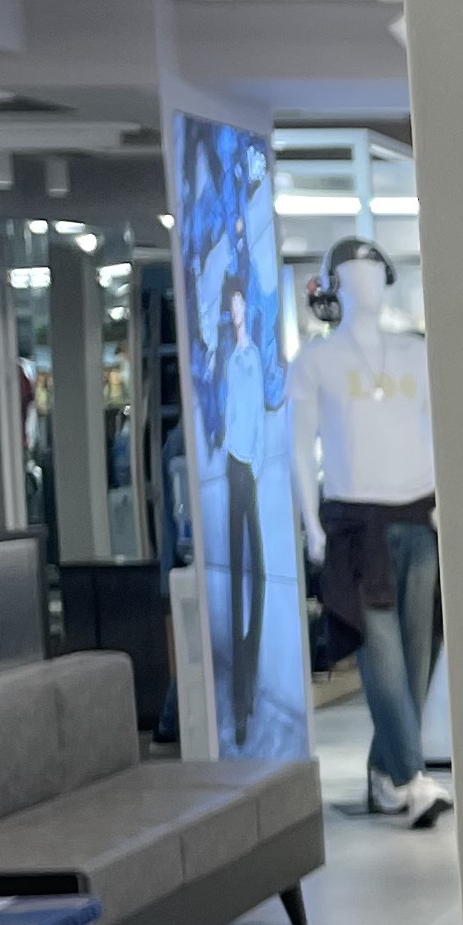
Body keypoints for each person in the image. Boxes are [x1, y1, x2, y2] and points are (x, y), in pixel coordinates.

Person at [287, 238, 450, 823]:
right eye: (351, 276)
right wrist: (311, 523)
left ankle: (385, 775)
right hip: (356, 525)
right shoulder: (315, 362)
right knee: (381, 655)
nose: (365, 285)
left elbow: (437, 432)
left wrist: (446, 505)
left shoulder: (415, 354)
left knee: (419, 653)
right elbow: (298, 447)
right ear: (332, 289)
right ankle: (412, 777)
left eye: (372, 274)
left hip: (419, 515)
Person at [218, 272, 265, 748]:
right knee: (238, 576)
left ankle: (248, 678)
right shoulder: (231, 359)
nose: (237, 312)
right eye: (231, 305)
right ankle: (240, 700)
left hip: (250, 465)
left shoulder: (253, 356)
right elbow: (230, 412)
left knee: (260, 575)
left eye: (240, 304)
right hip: (236, 463)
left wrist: (259, 461)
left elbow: (259, 412)